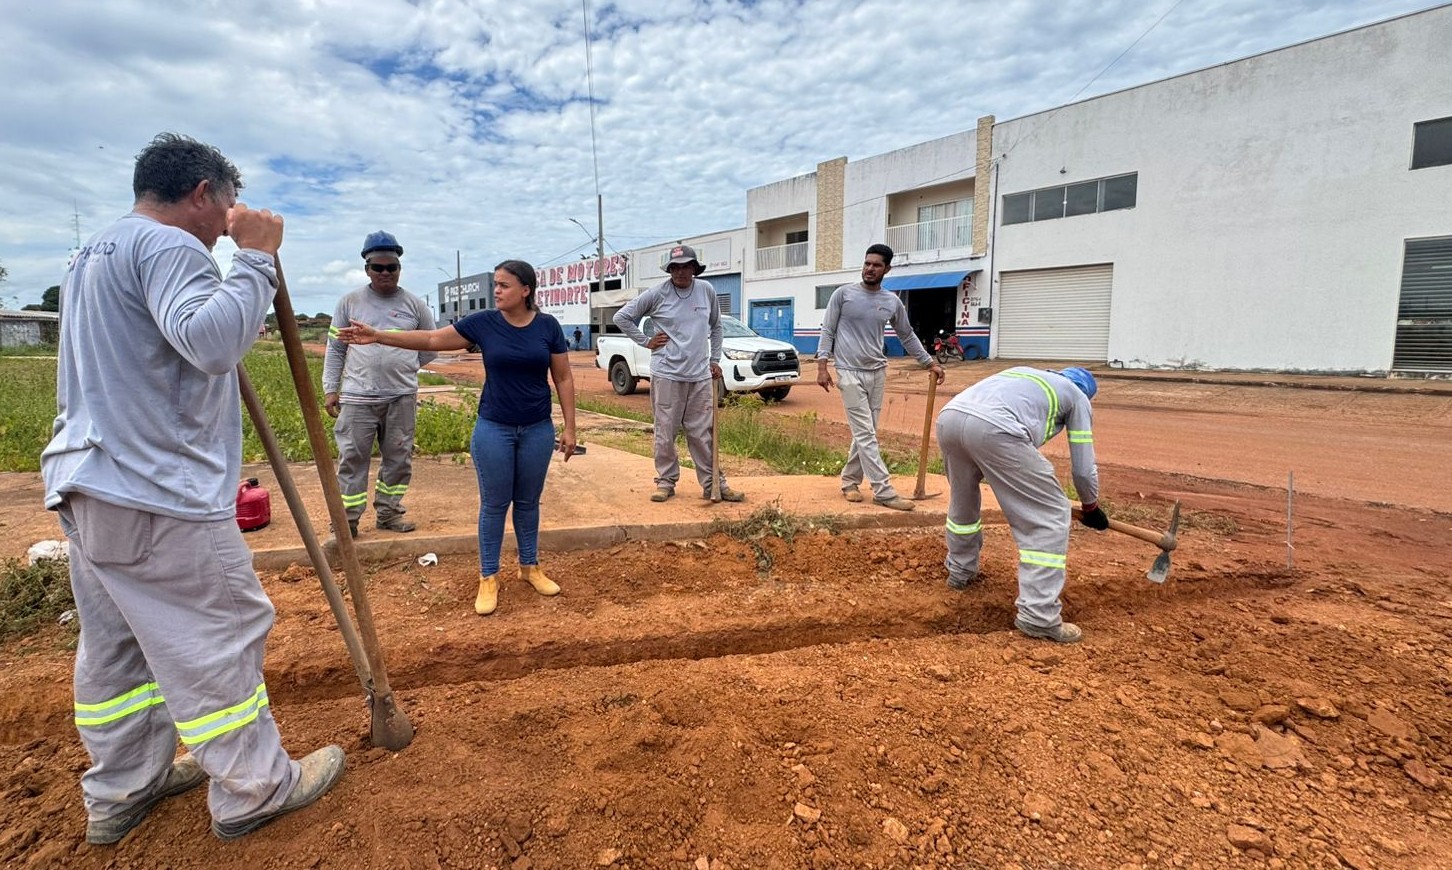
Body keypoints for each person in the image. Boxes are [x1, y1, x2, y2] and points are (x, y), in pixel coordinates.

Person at [40, 132, 344, 845]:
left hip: (90, 484)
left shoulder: (94, 253)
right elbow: (210, 342)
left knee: (118, 649)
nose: (228, 222)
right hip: (159, 492)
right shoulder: (172, 246)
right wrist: (258, 258)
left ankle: (121, 790)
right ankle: (254, 790)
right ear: (203, 193)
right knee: (220, 636)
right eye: (228, 207)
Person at [337, 260, 577, 616]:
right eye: (495, 284)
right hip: (494, 427)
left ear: (526, 290)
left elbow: (564, 377)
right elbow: (433, 339)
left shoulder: (547, 326)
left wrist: (570, 427)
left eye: (504, 285)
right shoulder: (484, 323)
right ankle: (489, 577)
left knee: (528, 503)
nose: (496, 291)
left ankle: (530, 567)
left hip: (537, 429)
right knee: (495, 505)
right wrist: (379, 335)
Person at [935, 365, 1109, 644]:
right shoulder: (1077, 397)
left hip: (950, 418)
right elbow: (1083, 470)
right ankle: (1038, 616)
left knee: (963, 501)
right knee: (1050, 513)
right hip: (995, 428)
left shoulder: (1026, 373)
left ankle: (960, 571)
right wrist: (1091, 506)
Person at [321, 232, 436, 538]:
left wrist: (406, 366)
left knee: (398, 458)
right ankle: (348, 522)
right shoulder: (349, 303)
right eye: (379, 267)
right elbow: (336, 349)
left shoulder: (414, 305)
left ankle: (388, 513)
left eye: (392, 267)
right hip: (358, 398)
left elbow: (431, 345)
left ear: (399, 268)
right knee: (352, 459)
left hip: (401, 397)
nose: (386, 273)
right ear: (367, 268)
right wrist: (331, 389)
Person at [817, 243, 945, 511]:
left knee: (868, 432)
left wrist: (928, 362)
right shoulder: (843, 295)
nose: (870, 269)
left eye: (876, 265)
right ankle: (883, 491)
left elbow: (906, 334)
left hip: (877, 372)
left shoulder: (891, 301)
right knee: (865, 433)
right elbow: (827, 330)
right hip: (849, 372)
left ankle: (850, 481)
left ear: (887, 269)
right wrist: (822, 365)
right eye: (867, 264)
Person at [613, 244, 744, 503]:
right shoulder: (658, 293)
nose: (681, 272)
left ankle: (713, 484)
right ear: (670, 270)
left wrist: (715, 359)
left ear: (694, 268)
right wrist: (646, 340)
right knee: (665, 430)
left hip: (699, 375)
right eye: (676, 267)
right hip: (667, 374)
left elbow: (716, 327)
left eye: (686, 266)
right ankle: (665, 482)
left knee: (701, 432)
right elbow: (622, 317)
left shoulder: (706, 291)